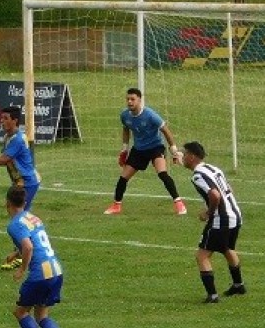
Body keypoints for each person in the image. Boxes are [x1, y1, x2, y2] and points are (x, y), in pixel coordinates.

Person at [4, 185, 69, 328]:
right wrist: (16, 254)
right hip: (55, 270)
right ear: (24, 202)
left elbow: (29, 247)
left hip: (40, 274)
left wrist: (21, 269)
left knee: (21, 312)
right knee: (41, 314)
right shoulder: (32, 217)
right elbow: (34, 242)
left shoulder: (14, 224)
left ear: (7, 203)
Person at [0, 106, 40, 271]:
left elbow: (5, 159)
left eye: (5, 118)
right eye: (1, 118)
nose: (2, 121)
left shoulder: (18, 138)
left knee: (19, 218)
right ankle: (23, 250)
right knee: (18, 215)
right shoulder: (8, 137)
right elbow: (6, 159)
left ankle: (21, 253)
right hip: (19, 182)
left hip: (27, 182)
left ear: (15, 120)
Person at [104, 87, 187, 216]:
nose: (130, 102)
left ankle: (179, 203)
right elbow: (126, 129)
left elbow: (165, 130)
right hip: (138, 149)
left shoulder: (150, 115)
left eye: (133, 99)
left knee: (162, 174)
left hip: (155, 147)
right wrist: (124, 150)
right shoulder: (124, 115)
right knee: (123, 178)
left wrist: (174, 150)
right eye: (128, 99)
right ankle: (116, 206)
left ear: (139, 100)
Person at [181, 141, 245, 304]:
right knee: (226, 248)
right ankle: (238, 285)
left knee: (202, 255)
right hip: (235, 215)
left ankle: (212, 296)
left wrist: (208, 213)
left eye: (185, 153)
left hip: (221, 219)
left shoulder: (198, 175)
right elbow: (227, 188)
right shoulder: (213, 168)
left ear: (192, 156)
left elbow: (215, 195)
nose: (183, 156)